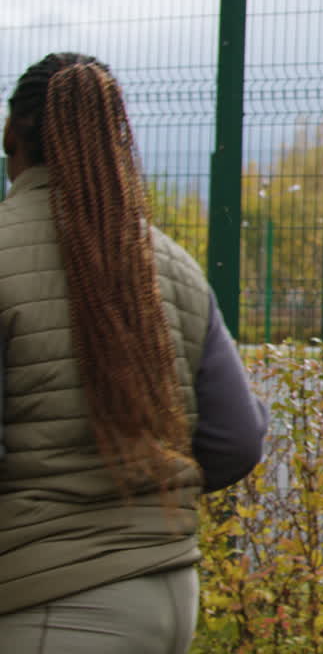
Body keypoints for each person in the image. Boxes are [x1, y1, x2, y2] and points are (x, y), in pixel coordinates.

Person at [0, 52, 267, 651]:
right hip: (169, 591)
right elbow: (236, 441)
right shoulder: (171, 265)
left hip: (46, 601)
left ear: (11, 136)